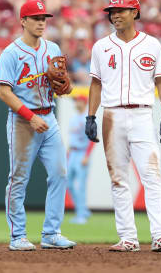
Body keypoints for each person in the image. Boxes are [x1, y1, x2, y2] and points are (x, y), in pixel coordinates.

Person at [85, 0, 161, 252]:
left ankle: (160, 234)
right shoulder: (101, 46)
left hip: (141, 114)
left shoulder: (152, 44)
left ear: (135, 13)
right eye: (112, 11)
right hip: (112, 115)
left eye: (121, 10)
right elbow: (95, 84)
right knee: (118, 179)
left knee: (151, 175)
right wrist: (91, 115)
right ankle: (128, 238)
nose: (115, 15)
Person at [0, 0, 76, 251]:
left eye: (44, 18)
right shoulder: (11, 53)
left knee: (59, 173)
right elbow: (4, 92)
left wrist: (66, 86)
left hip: (49, 117)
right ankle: (17, 236)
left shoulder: (52, 48)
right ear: (23, 21)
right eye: (36, 18)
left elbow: (62, 82)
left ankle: (51, 233)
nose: (42, 22)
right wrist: (30, 116)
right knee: (18, 179)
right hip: (23, 120)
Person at [67, 95, 94, 224]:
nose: (76, 103)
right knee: (68, 183)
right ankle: (83, 210)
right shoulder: (73, 118)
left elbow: (92, 139)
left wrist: (87, 155)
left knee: (81, 185)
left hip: (82, 153)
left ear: (83, 103)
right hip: (72, 153)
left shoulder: (87, 119)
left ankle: (81, 215)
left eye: (78, 100)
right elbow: (72, 139)